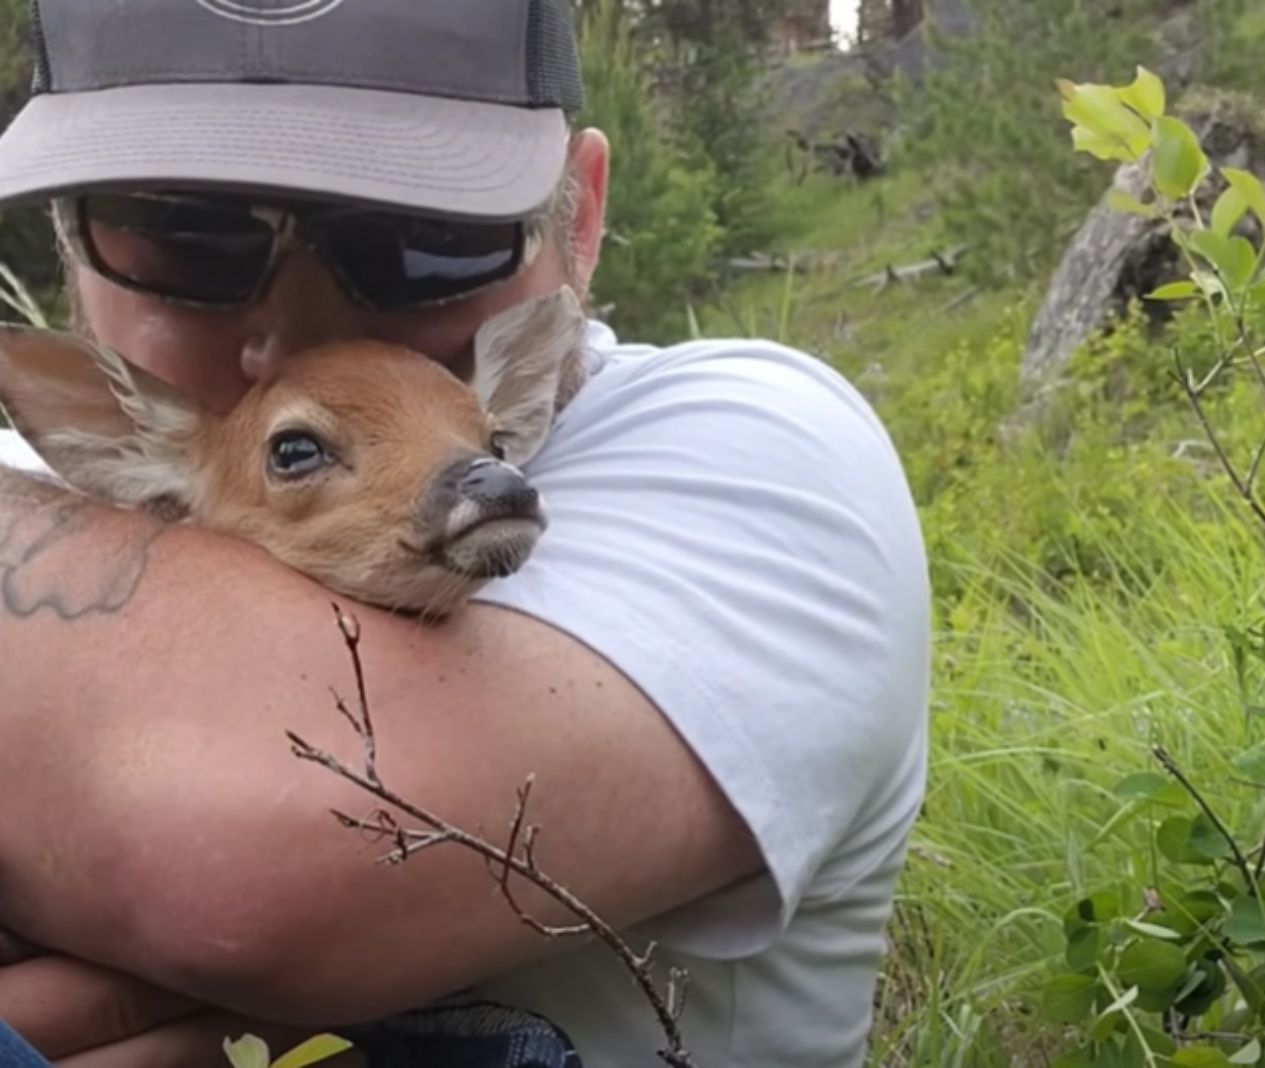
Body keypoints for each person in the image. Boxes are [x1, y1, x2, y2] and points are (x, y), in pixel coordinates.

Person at [0, 1, 931, 1066]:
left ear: (576, 219)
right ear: (70, 247)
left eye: (419, 239)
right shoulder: (44, 478)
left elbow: (260, 866)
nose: (301, 331)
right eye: (181, 236)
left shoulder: (760, 454)